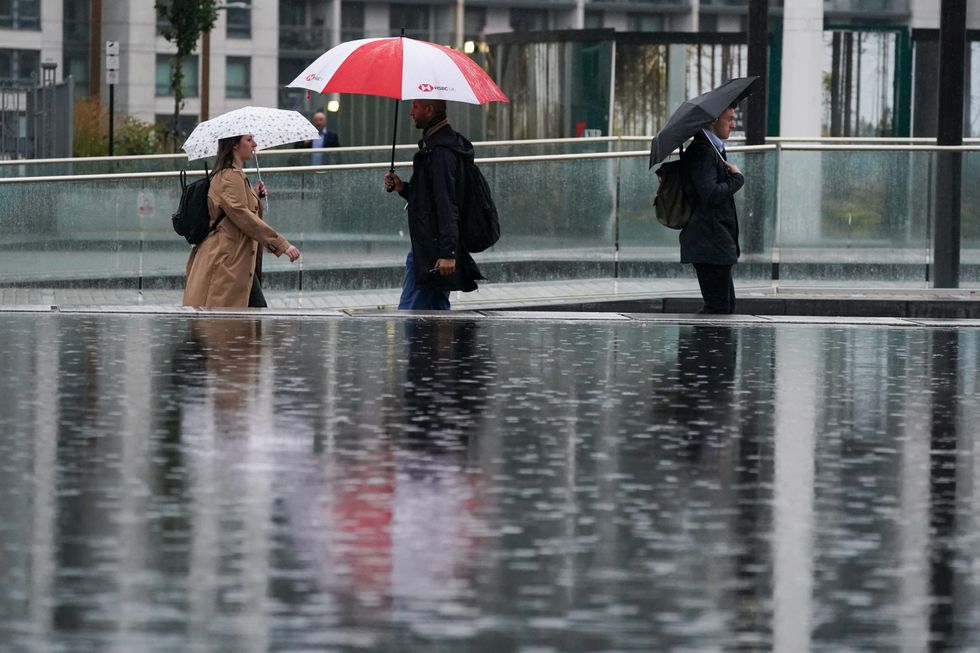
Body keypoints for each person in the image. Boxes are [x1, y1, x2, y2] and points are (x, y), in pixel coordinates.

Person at [383, 99, 484, 310]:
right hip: (432, 248)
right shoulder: (437, 146)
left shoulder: (441, 153)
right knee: (435, 320)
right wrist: (403, 188)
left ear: (429, 110)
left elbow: (447, 204)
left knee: (413, 315)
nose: (411, 112)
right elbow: (430, 199)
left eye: (416, 107)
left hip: (432, 252)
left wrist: (448, 253)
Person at [183, 133, 301, 308]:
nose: (254, 144)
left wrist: (254, 195)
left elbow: (238, 209)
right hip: (227, 261)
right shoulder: (230, 176)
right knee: (228, 323)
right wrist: (282, 244)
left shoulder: (235, 175)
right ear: (235, 145)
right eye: (249, 140)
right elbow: (243, 216)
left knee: (251, 316)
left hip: (236, 261)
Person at [679, 103, 744, 314]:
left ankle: (708, 346)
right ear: (715, 120)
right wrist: (737, 179)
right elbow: (711, 194)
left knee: (724, 307)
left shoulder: (712, 149)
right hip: (709, 241)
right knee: (718, 308)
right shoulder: (703, 151)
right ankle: (698, 346)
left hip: (715, 240)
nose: (732, 125)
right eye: (730, 119)